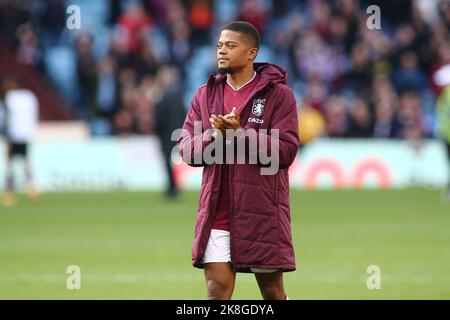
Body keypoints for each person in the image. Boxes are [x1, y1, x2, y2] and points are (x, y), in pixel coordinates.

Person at [178, 21, 299, 300]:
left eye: (231, 46)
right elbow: (186, 149)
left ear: (251, 53)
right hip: (217, 212)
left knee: (272, 293)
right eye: (220, 45)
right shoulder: (204, 95)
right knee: (216, 291)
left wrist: (241, 135)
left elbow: (286, 152)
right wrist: (215, 136)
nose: (222, 51)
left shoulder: (279, 96)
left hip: (261, 212)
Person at [2, 77, 39, 207]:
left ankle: (9, 192)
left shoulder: (10, 98)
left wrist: (7, 134)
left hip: (14, 134)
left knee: (10, 163)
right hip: (26, 133)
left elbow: (7, 118)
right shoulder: (30, 97)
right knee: (25, 160)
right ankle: (31, 188)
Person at [154, 65, 186, 198]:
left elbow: (158, 118)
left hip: (166, 135)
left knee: (168, 163)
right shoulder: (178, 96)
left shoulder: (162, 97)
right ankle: (174, 187)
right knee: (174, 162)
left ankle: (172, 188)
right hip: (178, 133)